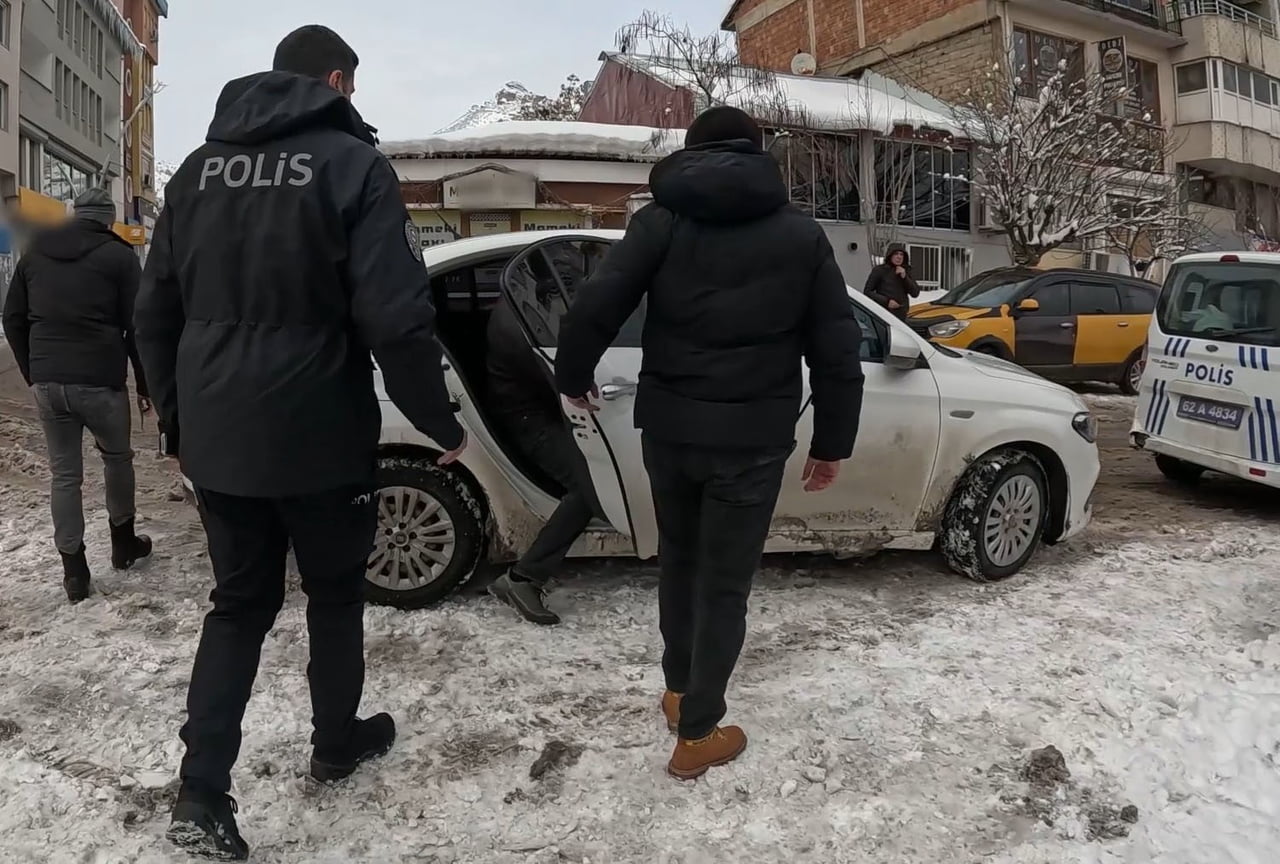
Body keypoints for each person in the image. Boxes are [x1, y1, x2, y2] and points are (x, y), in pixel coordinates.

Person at [134, 25, 466, 860]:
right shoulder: (355, 165)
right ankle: (335, 741)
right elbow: (396, 314)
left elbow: (153, 312)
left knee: (238, 606)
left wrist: (178, 421)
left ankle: (202, 796)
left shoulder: (199, 172)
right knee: (335, 597)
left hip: (219, 440)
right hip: (321, 434)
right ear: (335, 80)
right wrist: (441, 423)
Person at [553, 106, 865, 780]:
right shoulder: (800, 236)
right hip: (752, 442)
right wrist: (832, 441)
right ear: (757, 155)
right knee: (724, 587)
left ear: (692, 155)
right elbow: (837, 350)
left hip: (670, 429)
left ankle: (678, 690)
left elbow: (595, 304)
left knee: (679, 565)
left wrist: (572, 377)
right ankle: (698, 731)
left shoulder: (660, 223)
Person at [1, 188, 154, 603]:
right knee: (117, 459)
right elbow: (138, 327)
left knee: (64, 476)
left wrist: (35, 372)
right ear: (107, 220)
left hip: (50, 383)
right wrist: (145, 385)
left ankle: (74, 570)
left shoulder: (36, 253)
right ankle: (123, 544)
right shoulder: (120, 257)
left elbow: (12, 317)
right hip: (101, 380)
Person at [484, 296, 597, 626]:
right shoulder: (513, 323)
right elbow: (561, 380)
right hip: (528, 420)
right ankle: (523, 579)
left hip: (537, 412)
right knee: (588, 488)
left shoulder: (527, 307)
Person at [863, 244, 919, 320]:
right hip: (883, 314)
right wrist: (887, 302)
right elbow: (867, 291)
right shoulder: (880, 270)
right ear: (890, 255)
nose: (899, 257)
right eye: (896, 254)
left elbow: (915, 293)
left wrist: (905, 278)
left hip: (902, 315)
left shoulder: (906, 271)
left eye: (901, 254)